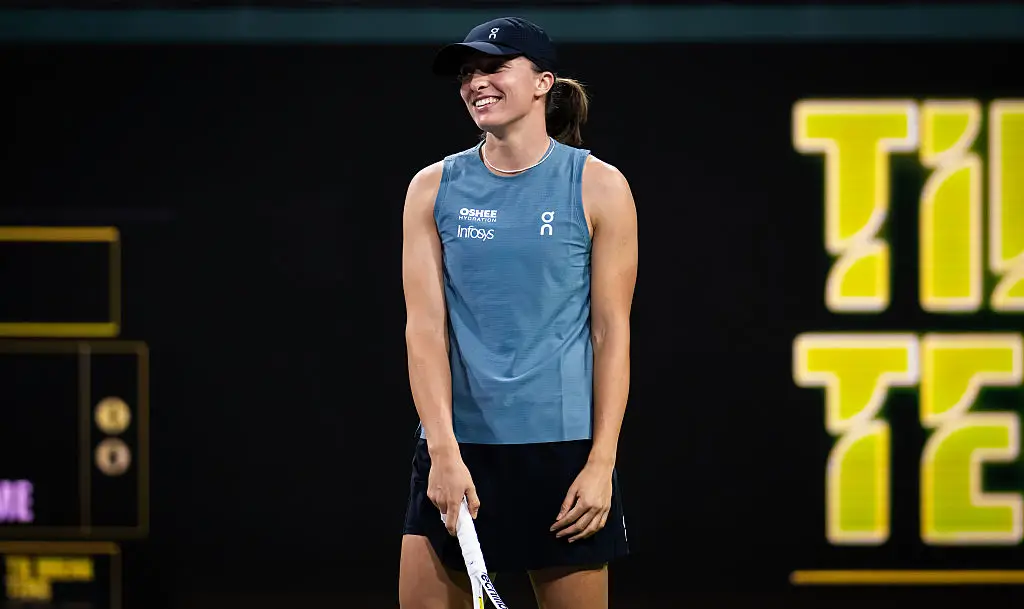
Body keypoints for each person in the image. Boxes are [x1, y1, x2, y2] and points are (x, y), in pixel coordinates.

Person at [400, 16, 638, 609]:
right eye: (467, 73)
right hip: (459, 453)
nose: (476, 82)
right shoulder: (431, 188)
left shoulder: (600, 187)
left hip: (562, 455)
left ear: (541, 82)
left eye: (494, 67)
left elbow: (612, 333)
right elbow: (424, 330)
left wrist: (601, 462)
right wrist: (444, 454)